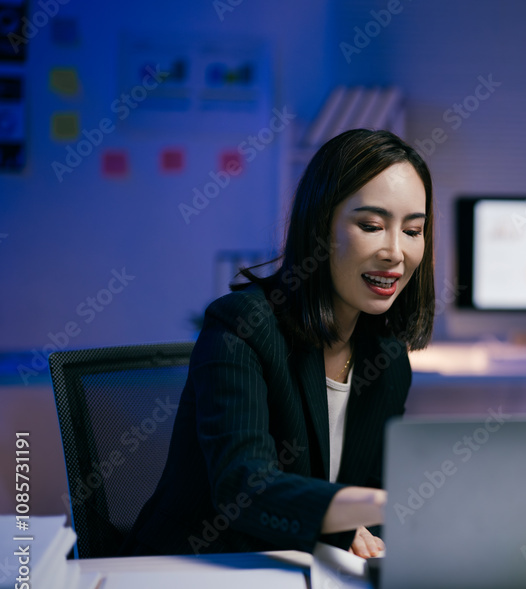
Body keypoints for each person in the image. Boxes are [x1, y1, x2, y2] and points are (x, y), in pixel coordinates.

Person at [124, 129, 435, 558]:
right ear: (320, 226)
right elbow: (243, 489)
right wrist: (381, 506)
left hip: (305, 572)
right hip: (197, 569)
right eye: (371, 226)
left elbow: (366, 506)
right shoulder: (242, 325)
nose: (396, 252)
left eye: (413, 231)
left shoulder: (387, 359)